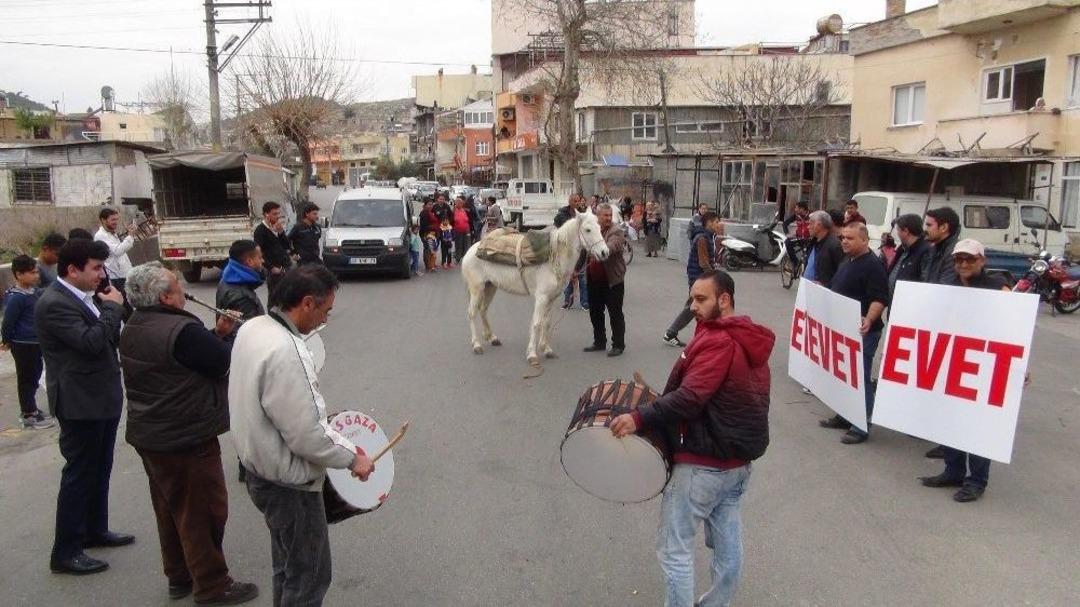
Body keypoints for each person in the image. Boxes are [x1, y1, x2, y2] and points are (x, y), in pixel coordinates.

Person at [611, 270, 774, 607]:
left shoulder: (720, 341)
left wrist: (638, 416)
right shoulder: (745, 337)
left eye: (701, 299)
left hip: (704, 465)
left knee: (675, 550)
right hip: (737, 465)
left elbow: (691, 397)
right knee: (728, 545)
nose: (693, 307)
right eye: (691, 299)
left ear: (724, 300)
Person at [229, 265, 374, 607]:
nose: (325, 321)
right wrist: (355, 457)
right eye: (325, 311)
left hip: (259, 470)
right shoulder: (286, 350)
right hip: (289, 484)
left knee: (287, 567)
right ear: (307, 303)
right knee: (309, 576)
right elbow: (308, 435)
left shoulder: (253, 328)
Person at [120, 262, 259, 604]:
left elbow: (183, 362)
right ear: (166, 297)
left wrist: (218, 334)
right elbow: (224, 362)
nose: (184, 290)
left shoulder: (135, 325)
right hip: (184, 435)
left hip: (151, 432)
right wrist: (240, 342)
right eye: (178, 286)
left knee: (170, 508)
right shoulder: (181, 329)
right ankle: (212, 584)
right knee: (202, 511)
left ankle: (180, 576)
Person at [35, 238, 133, 575]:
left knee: (100, 467)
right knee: (79, 473)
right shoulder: (55, 303)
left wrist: (113, 308)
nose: (101, 274)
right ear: (72, 270)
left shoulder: (88, 297)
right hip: (79, 402)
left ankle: (94, 529)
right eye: (94, 268)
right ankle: (66, 550)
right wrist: (112, 309)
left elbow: (109, 338)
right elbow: (91, 344)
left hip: (100, 396)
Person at [918, 239, 1011, 503]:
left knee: (977, 425)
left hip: (985, 366)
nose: (964, 264)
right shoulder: (951, 289)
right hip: (953, 363)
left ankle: (976, 481)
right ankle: (953, 470)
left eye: (970, 259)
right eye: (959, 259)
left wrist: (1019, 366)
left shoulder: (997, 288)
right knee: (951, 420)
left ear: (982, 261)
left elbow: (1015, 331)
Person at [818, 223, 889, 445]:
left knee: (860, 378)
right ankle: (844, 415)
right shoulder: (847, 260)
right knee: (843, 376)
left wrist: (869, 318)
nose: (844, 241)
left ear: (865, 241)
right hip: (842, 329)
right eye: (842, 238)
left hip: (863, 332)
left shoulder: (873, 266)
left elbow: (879, 298)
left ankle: (861, 425)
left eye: (850, 238)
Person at [1, 255, 55, 429]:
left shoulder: (32, 292)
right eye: (32, 273)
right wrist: (6, 340)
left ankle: (31, 409)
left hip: (35, 341)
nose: (36, 276)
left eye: (36, 272)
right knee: (27, 378)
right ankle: (28, 413)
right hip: (23, 344)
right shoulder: (16, 297)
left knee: (34, 374)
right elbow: (8, 321)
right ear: (18, 274)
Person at [662, 211, 723, 348]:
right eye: (717, 222)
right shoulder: (702, 238)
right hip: (699, 278)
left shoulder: (708, 236)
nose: (719, 225)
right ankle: (671, 334)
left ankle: (706, 335)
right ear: (709, 222)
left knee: (695, 307)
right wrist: (714, 276)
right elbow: (703, 262)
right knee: (695, 307)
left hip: (700, 277)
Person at [582, 204, 628, 357]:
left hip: (612, 280)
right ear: (598, 216)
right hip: (594, 279)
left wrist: (604, 250)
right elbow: (584, 250)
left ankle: (618, 345)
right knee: (595, 312)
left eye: (610, 215)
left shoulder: (617, 230)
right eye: (605, 215)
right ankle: (599, 341)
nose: (608, 218)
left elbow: (613, 245)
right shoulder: (593, 229)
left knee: (615, 313)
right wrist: (574, 270)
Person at [217, 240, 267, 327]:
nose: (263, 261)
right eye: (260, 258)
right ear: (249, 261)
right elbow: (251, 332)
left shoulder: (227, 278)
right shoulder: (243, 297)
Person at [253, 201, 292, 306]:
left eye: (279, 214)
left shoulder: (278, 227)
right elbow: (259, 253)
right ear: (266, 214)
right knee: (275, 297)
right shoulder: (260, 231)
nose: (278, 217)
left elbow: (287, 246)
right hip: (274, 270)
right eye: (275, 214)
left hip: (286, 266)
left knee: (287, 296)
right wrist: (271, 267)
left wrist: (280, 232)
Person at [886, 213, 930, 301]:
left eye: (898, 229)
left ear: (906, 231)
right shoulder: (902, 249)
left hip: (909, 305)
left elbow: (925, 283)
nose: (897, 233)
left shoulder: (925, 252)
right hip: (894, 304)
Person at [93, 207, 136, 297]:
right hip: (116, 277)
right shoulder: (101, 235)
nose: (115, 222)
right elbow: (117, 251)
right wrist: (130, 236)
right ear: (103, 220)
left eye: (116, 219)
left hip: (123, 274)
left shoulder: (111, 233)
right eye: (113, 220)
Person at [556, 195, 590, 310]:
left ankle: (585, 302)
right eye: (574, 201)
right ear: (569, 202)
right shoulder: (562, 215)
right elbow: (558, 228)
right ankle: (567, 301)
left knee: (582, 277)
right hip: (568, 251)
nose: (577, 203)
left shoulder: (583, 214)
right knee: (571, 276)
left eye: (578, 201)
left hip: (582, 250)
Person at [921, 206, 962, 286]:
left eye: (929, 225)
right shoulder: (934, 248)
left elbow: (944, 287)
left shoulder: (954, 253)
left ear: (943, 228)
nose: (925, 229)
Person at [803, 210, 844, 288]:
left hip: (824, 292)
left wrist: (827, 285)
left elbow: (842, 273)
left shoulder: (835, 245)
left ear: (819, 225)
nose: (808, 227)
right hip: (808, 290)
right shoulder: (813, 243)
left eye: (811, 223)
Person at [418, 199, 440, 272]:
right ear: (425, 205)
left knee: (432, 249)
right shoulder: (424, 213)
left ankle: (431, 264)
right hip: (426, 234)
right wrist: (433, 227)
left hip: (432, 233)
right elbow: (424, 226)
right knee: (427, 249)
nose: (431, 206)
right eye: (429, 204)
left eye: (431, 204)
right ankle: (427, 265)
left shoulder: (430, 212)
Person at [452, 197, 473, 265]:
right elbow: (451, 220)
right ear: (456, 203)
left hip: (466, 230)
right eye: (458, 203)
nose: (460, 204)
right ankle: (458, 259)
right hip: (458, 230)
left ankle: (466, 259)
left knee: (467, 245)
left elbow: (468, 218)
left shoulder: (463, 210)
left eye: (461, 203)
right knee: (458, 245)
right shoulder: (454, 210)